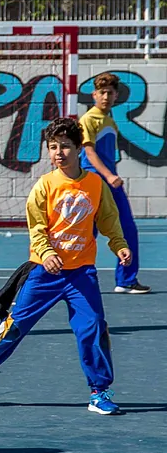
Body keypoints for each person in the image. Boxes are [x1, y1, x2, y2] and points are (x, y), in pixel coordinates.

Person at [0, 117, 131, 414]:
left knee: (93, 327)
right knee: (14, 327)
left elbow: (109, 221)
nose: (59, 153)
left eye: (65, 146)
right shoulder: (45, 185)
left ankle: (99, 391)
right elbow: (36, 228)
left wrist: (119, 245)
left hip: (81, 274)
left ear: (79, 149)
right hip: (44, 273)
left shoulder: (95, 185)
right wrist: (46, 253)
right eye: (53, 147)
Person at [81, 72, 148, 294]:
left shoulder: (109, 121)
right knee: (87, 233)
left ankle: (126, 280)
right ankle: (73, 277)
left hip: (110, 182)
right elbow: (89, 152)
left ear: (116, 95)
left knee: (126, 229)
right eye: (102, 92)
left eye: (110, 93)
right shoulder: (88, 120)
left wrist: (112, 176)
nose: (106, 97)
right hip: (94, 181)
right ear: (94, 95)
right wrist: (108, 176)